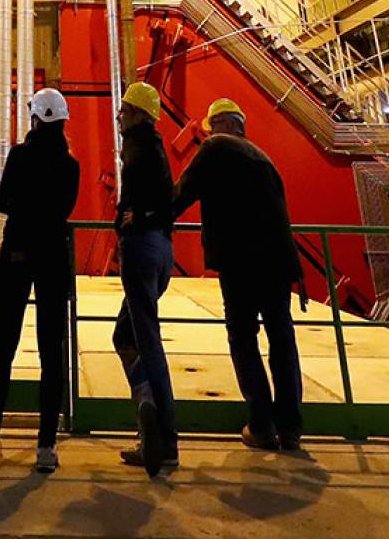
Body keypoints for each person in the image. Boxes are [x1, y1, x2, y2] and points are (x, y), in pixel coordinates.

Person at [172, 97, 306, 452]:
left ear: (224, 126)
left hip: (241, 263)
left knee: (243, 336)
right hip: (278, 263)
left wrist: (148, 219)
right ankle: (290, 428)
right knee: (281, 338)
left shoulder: (216, 147)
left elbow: (183, 193)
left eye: (211, 127)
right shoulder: (264, 159)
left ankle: (261, 425)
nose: (208, 134)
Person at [0, 87, 80, 474]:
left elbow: (6, 203)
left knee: (5, 347)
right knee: (52, 353)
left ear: (34, 119)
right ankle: (46, 447)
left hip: (18, 256)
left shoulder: (19, 156)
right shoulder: (72, 166)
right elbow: (66, 209)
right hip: (53, 259)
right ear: (63, 121)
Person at [112, 80, 178, 477]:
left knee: (148, 343)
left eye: (124, 110)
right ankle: (146, 410)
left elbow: (139, 193)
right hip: (162, 251)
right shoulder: (155, 147)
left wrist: (130, 218)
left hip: (142, 249)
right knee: (125, 337)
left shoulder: (136, 147)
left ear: (138, 114)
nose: (119, 115)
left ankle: (163, 439)